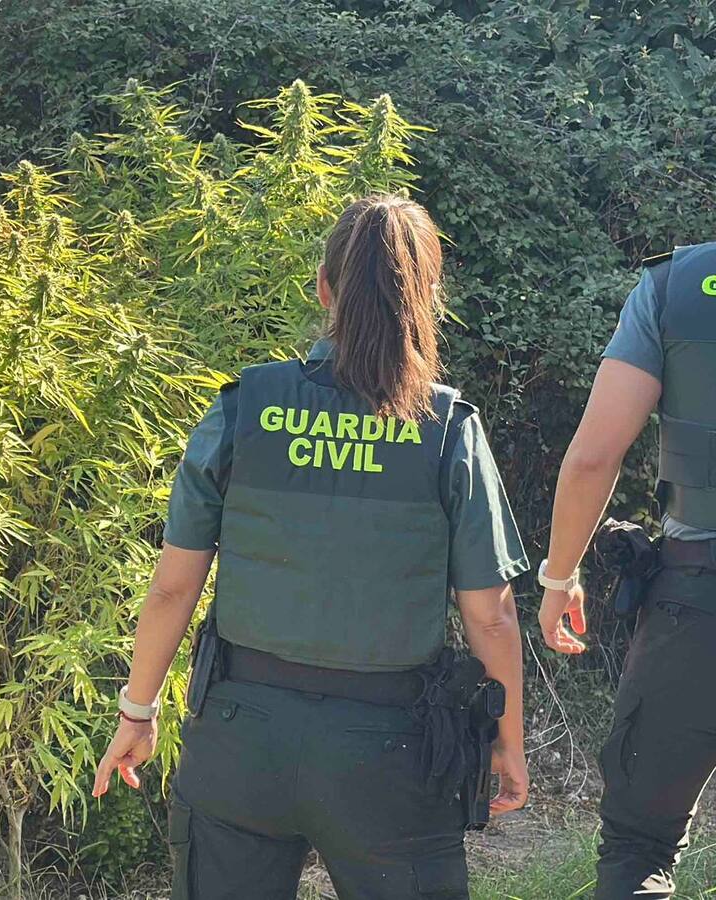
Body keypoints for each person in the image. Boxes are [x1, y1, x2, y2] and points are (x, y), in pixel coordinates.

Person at [91, 194, 530, 900]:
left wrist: (137, 712)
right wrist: (506, 740)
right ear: (427, 299)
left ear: (324, 289)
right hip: (391, 759)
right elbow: (492, 616)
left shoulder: (243, 406)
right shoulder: (447, 428)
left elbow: (173, 587)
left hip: (239, 742)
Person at [538, 241, 716, 899]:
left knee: (638, 852)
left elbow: (594, 458)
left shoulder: (675, 286)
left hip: (696, 606)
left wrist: (559, 577)